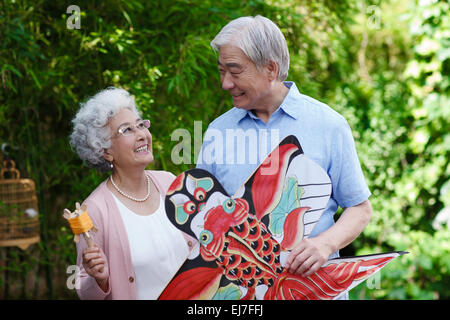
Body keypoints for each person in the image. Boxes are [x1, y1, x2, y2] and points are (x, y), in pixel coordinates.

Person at [196, 16, 372, 285]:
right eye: (222, 71)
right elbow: (202, 219)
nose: (226, 83)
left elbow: (360, 209)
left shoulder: (329, 125)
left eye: (235, 70)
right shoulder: (216, 132)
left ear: (270, 68)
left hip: (316, 289)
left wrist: (325, 244)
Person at [70, 87, 195, 299]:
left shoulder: (169, 182)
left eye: (140, 125)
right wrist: (99, 279)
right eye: (127, 130)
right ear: (105, 150)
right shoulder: (95, 210)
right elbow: (85, 291)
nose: (141, 135)